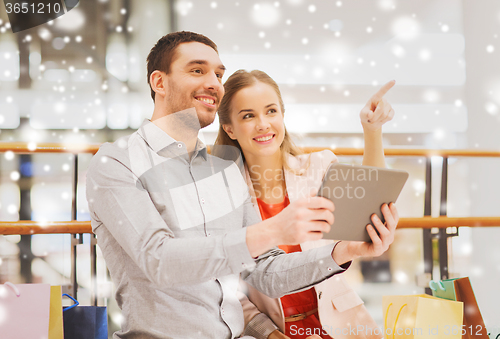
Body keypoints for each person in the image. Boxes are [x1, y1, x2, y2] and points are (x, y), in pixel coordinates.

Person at [86, 31, 399, 339]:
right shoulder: (116, 162)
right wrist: (273, 230)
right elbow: (160, 260)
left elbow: (265, 271)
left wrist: (345, 250)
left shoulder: (222, 172)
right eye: (198, 70)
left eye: (218, 74)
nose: (213, 82)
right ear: (159, 82)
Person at [215, 69, 396, 339]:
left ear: (282, 116)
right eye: (248, 116)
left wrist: (372, 131)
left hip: (341, 326)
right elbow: (228, 291)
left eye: (271, 111)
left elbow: (370, 207)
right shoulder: (221, 195)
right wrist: (271, 335)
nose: (263, 124)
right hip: (275, 332)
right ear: (229, 127)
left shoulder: (318, 167)